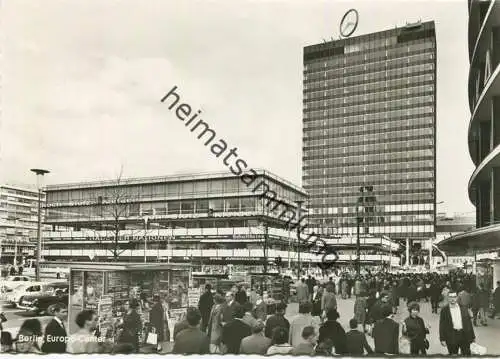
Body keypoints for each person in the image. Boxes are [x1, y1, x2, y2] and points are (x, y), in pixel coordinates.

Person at [439, 291, 475, 355]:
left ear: (457, 297)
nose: (453, 299)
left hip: (464, 335)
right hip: (452, 336)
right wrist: (442, 339)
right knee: (453, 355)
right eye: (451, 297)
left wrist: (472, 337)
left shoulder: (463, 308)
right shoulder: (444, 310)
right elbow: (442, 325)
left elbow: (468, 323)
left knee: (466, 354)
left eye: (454, 297)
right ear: (448, 298)